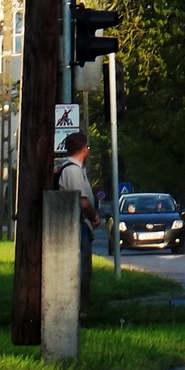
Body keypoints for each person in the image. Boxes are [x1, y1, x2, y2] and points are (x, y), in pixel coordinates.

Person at [54, 132, 101, 308]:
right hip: (78, 225)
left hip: (79, 224)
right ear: (84, 149)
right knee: (80, 269)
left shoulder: (72, 169)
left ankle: (80, 305)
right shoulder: (73, 171)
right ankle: (79, 307)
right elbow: (82, 201)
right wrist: (94, 217)